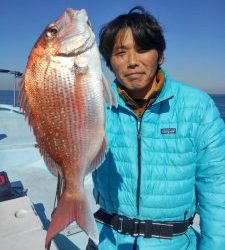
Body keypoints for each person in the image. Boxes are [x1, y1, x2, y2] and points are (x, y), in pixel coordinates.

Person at [86, 6, 225, 250]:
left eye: (142, 49)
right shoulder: (94, 106)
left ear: (160, 55)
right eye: (120, 52)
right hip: (107, 240)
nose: (132, 62)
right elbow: (68, 157)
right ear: (109, 61)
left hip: (175, 244)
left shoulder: (198, 107)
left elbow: (216, 187)